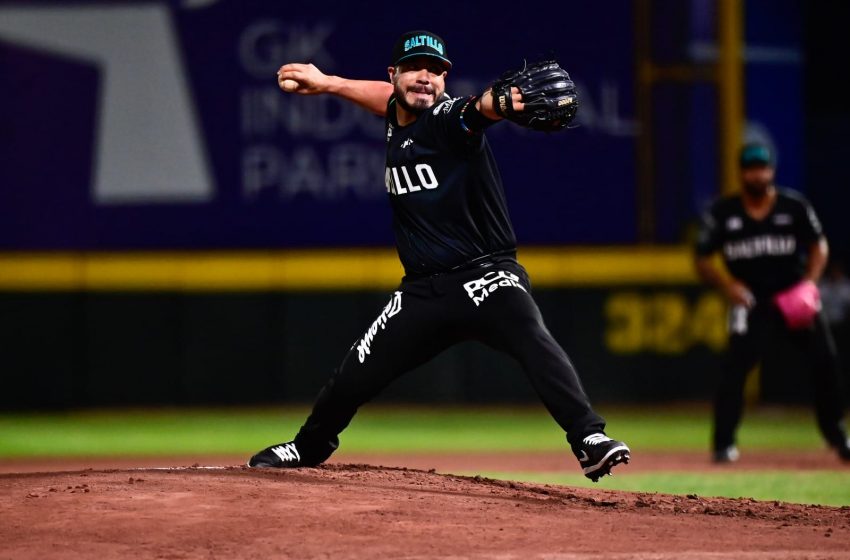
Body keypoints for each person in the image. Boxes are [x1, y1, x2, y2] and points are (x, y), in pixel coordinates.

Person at [248, 30, 630, 481]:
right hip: (423, 293)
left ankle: (589, 437)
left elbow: (478, 110)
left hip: (486, 275)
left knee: (530, 333)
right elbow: (381, 101)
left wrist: (501, 103)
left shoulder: (450, 118)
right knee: (353, 374)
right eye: (414, 68)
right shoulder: (395, 113)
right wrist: (329, 82)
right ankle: (309, 447)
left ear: (446, 80)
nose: (426, 77)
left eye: (436, 70)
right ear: (394, 75)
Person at [694, 141, 850, 463]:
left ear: (772, 171)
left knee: (825, 361)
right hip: (750, 300)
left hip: (793, 297)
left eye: (762, 168)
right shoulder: (724, 213)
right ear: (741, 173)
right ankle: (724, 444)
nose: (757, 174)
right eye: (751, 169)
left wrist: (809, 282)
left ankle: (838, 436)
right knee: (734, 370)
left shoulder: (794, 206)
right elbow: (702, 258)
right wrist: (727, 286)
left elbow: (819, 245)